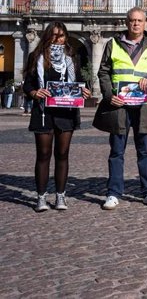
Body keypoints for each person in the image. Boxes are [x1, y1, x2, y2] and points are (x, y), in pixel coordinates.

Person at [93, 7, 147, 210]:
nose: (136, 24)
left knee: (144, 150)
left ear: (146, 23)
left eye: (139, 20)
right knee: (117, 151)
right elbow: (104, 71)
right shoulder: (112, 44)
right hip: (120, 105)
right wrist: (109, 95)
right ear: (126, 22)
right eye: (132, 20)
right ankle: (113, 193)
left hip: (143, 106)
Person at [22, 21, 91, 211]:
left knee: (62, 154)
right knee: (43, 154)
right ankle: (41, 197)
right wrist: (35, 93)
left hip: (66, 112)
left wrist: (85, 91)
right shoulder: (35, 57)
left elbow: (79, 82)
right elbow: (27, 84)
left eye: (61, 35)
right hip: (43, 112)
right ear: (47, 36)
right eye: (54, 35)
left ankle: (61, 196)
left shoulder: (72, 58)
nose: (58, 39)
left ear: (66, 37)